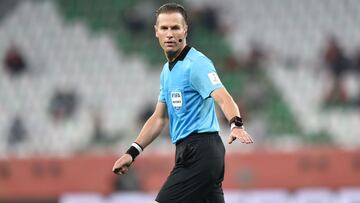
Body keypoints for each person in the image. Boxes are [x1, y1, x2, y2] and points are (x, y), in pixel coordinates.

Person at [112, 3, 254, 203]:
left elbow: (222, 95)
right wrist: (132, 152)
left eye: (175, 28)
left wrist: (236, 124)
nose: (169, 34)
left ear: (185, 30)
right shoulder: (166, 71)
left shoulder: (197, 64)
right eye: (164, 28)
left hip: (201, 151)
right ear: (156, 32)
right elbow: (159, 118)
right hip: (187, 151)